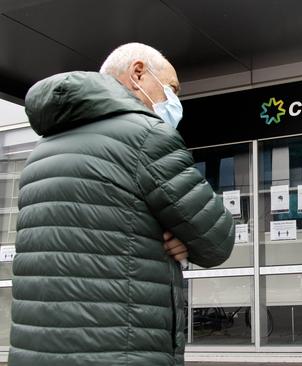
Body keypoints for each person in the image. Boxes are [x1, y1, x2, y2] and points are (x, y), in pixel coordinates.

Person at [9, 43, 235, 366]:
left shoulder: (40, 153)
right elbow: (218, 238)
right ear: (138, 73)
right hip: (121, 352)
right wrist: (182, 235)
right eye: (171, 89)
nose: (174, 103)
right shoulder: (145, 137)